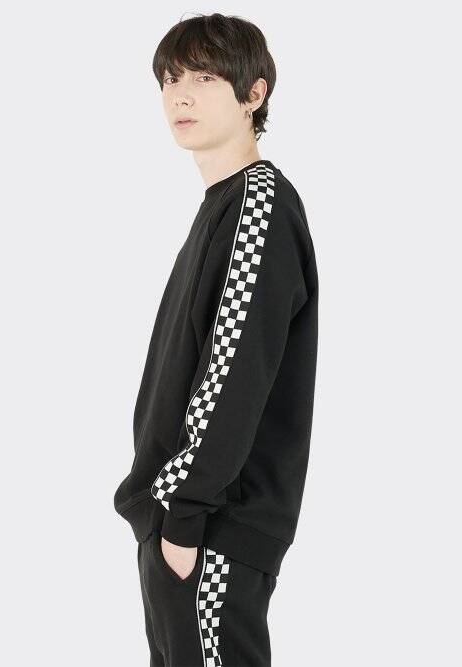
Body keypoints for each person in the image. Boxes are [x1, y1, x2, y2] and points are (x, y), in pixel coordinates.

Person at [114, 12, 318, 667]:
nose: (180, 95)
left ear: (254, 93)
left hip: (209, 530)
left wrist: (184, 515)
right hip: (188, 527)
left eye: (203, 78)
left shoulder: (259, 205)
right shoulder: (222, 206)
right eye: (171, 79)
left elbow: (231, 372)